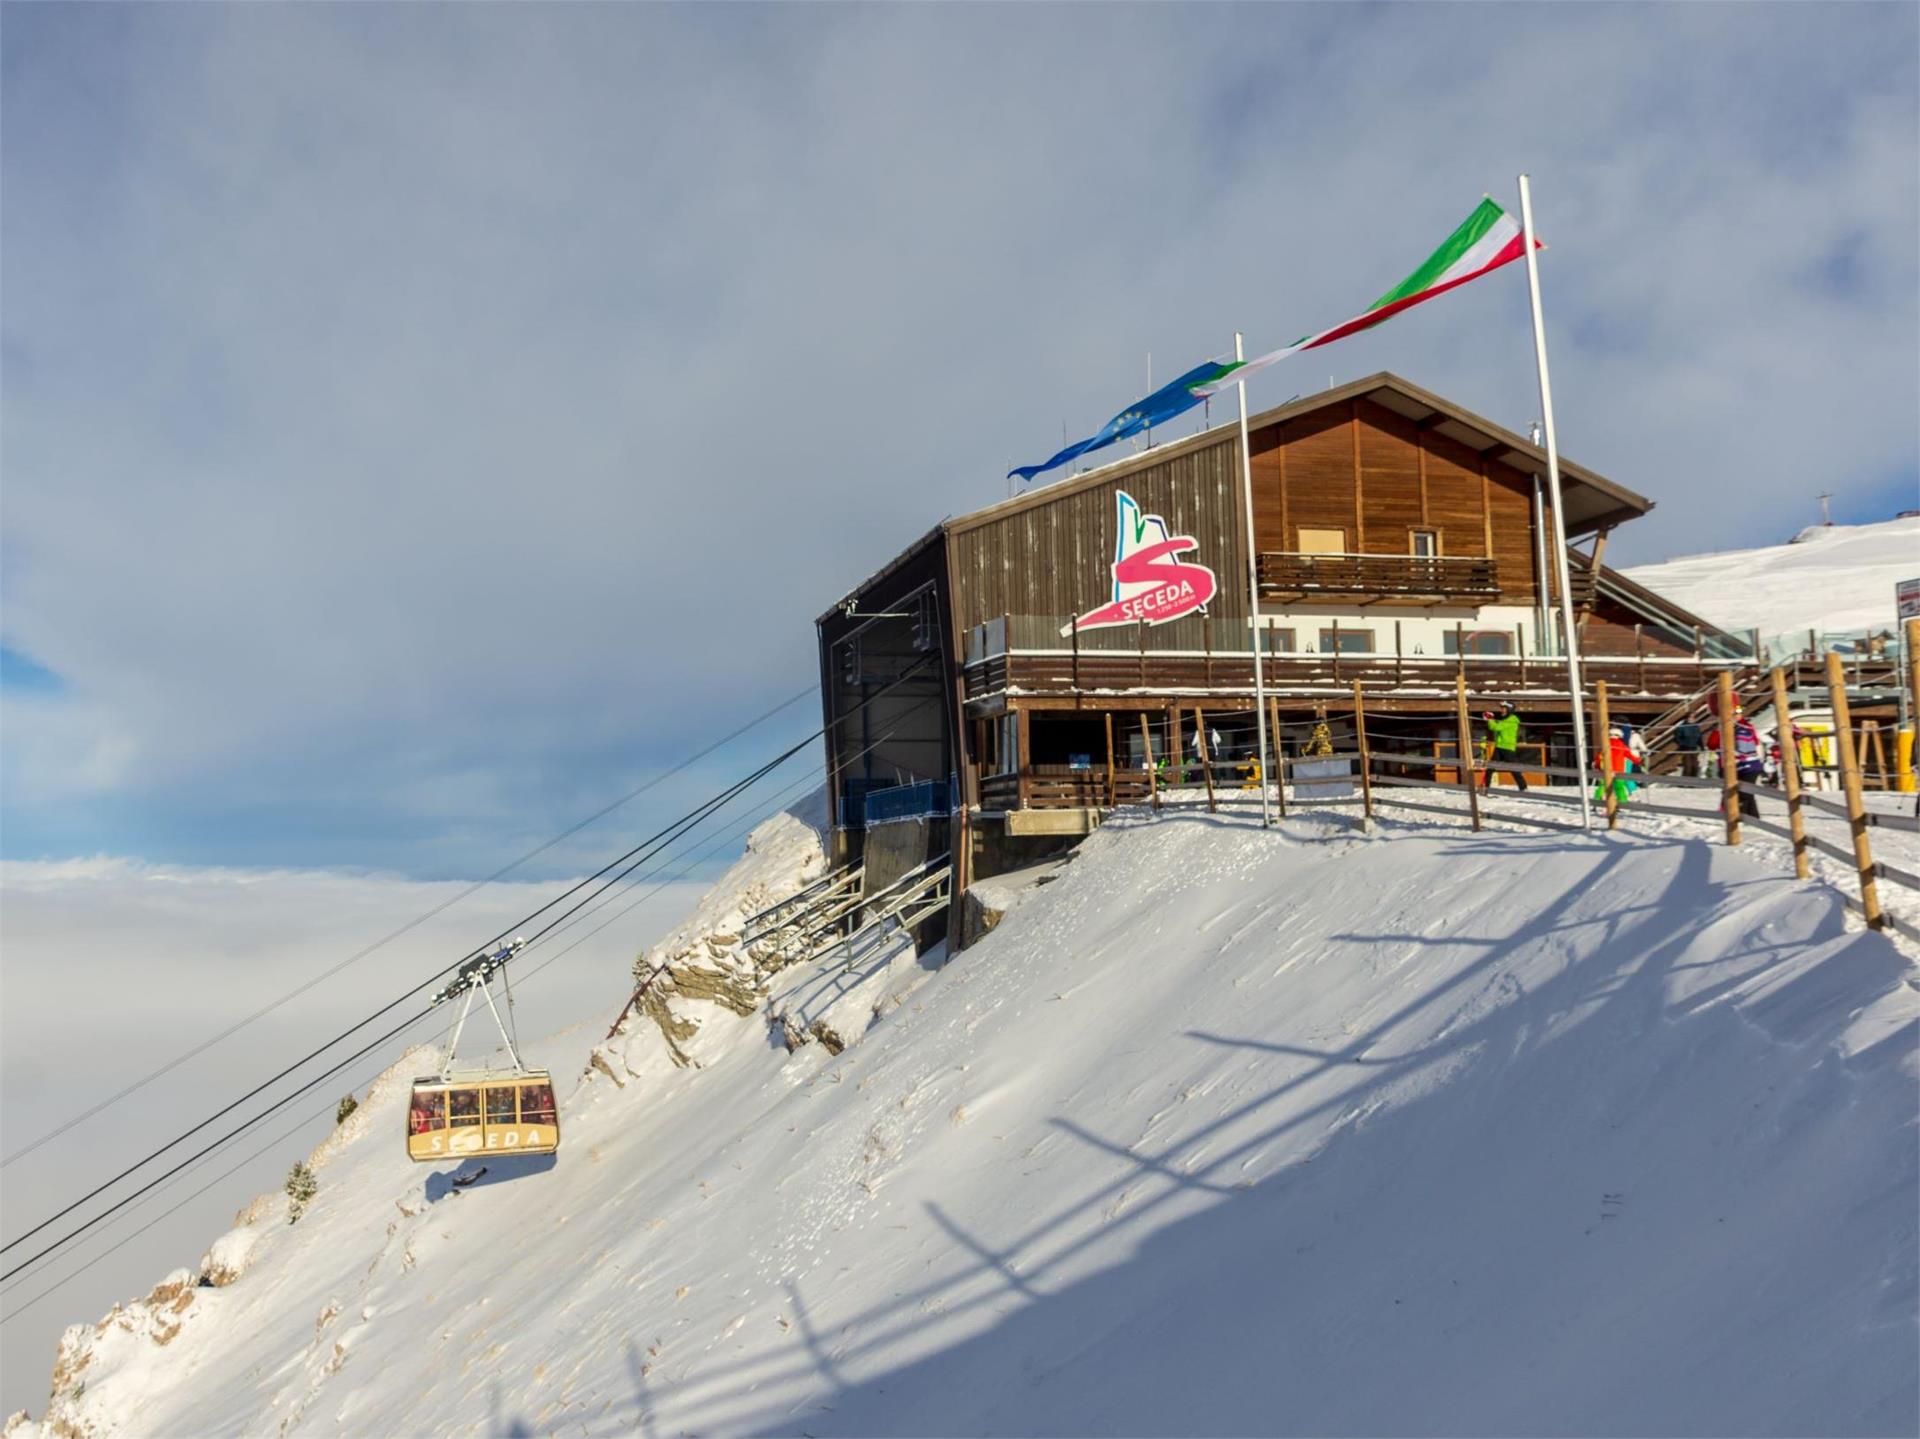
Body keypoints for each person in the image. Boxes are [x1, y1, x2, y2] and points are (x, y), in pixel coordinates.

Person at [1707, 705, 1764, 817]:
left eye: (1739, 713)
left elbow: (1754, 742)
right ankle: (1732, 813)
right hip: (1727, 766)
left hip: (1748, 765)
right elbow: (1712, 745)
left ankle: (1750, 816)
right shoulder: (1722, 728)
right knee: (1731, 791)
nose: (1737, 716)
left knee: (1745, 791)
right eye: (1734, 714)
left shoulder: (1746, 727)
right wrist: (1718, 731)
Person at [1480, 701, 1529, 792]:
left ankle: (1523, 788)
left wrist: (1490, 719)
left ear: (1509, 709)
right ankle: (1485, 787)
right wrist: (1490, 718)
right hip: (1499, 747)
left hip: (1507, 748)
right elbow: (1496, 726)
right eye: (1501, 708)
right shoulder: (1505, 719)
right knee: (1490, 767)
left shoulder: (1512, 719)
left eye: (1504, 708)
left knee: (1513, 769)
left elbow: (1497, 727)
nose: (1501, 710)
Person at [1593, 726, 1635, 807]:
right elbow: (1630, 756)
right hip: (1619, 770)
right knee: (1619, 787)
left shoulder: (1605, 745)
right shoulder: (1621, 745)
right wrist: (1639, 761)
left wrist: (1597, 766)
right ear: (1619, 736)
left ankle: (1595, 803)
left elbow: (1599, 757)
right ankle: (1622, 804)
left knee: (1602, 786)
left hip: (1605, 769)